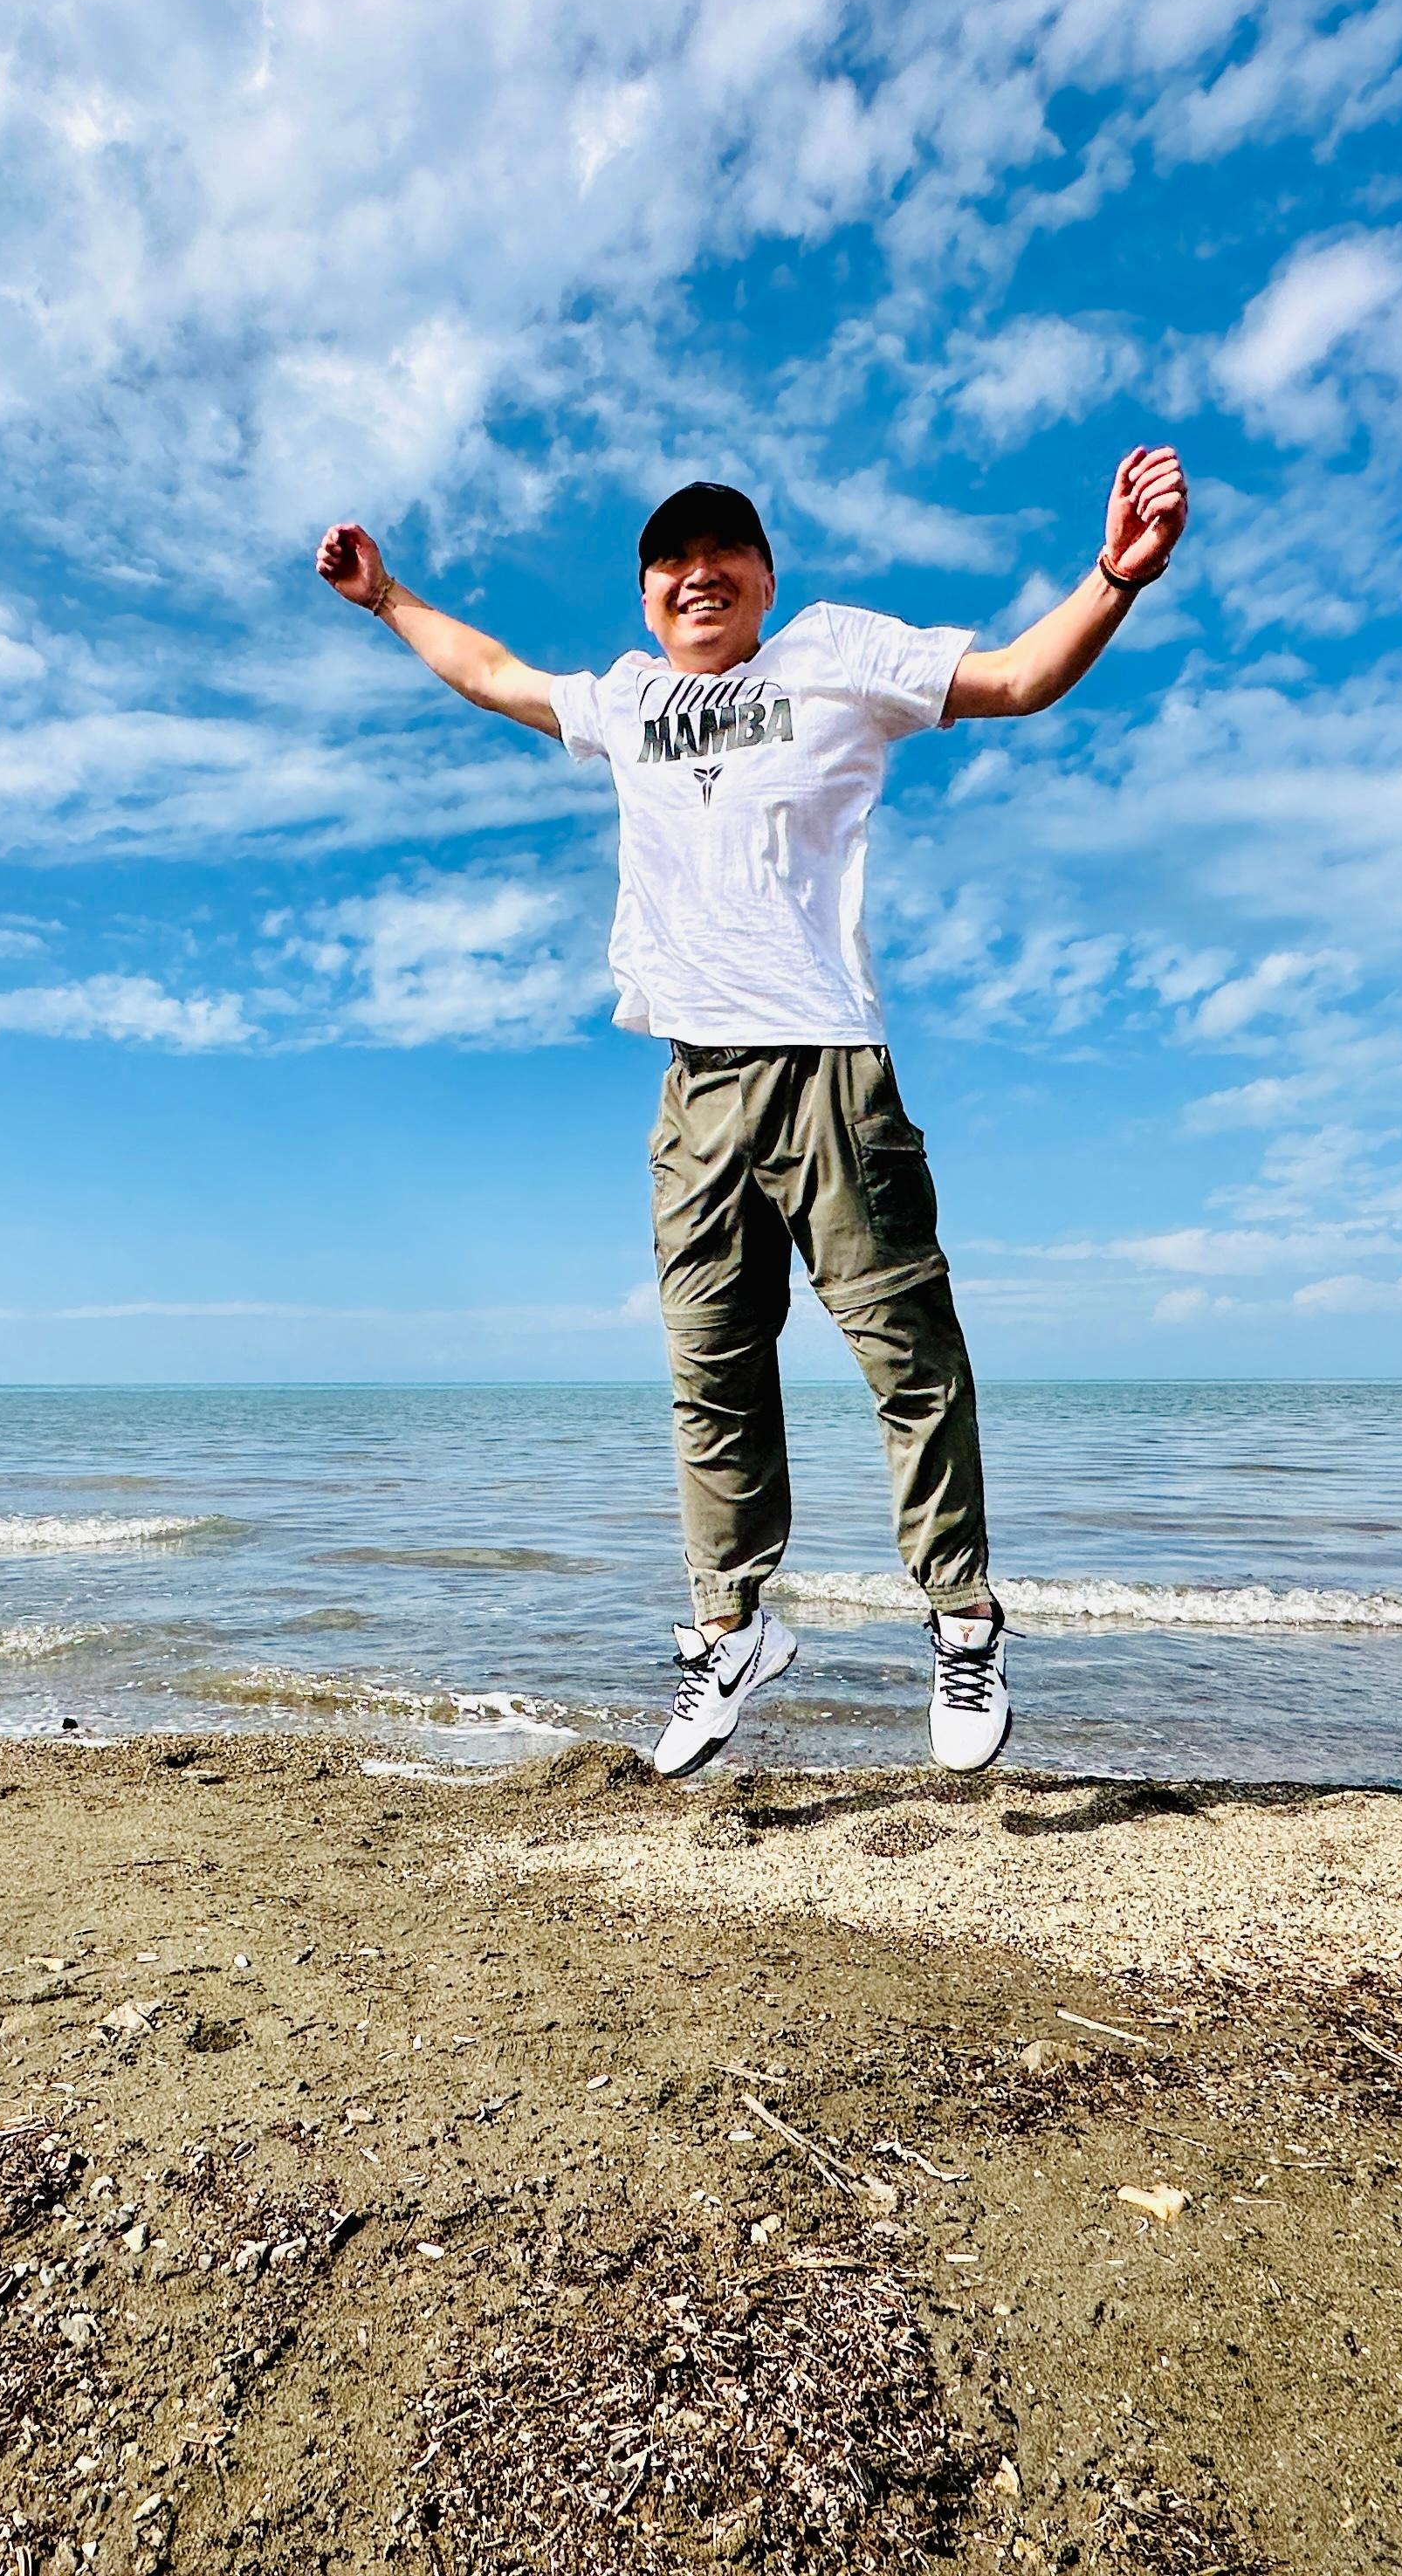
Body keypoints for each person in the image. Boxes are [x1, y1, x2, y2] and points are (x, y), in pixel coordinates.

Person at [314, 447, 1189, 1776]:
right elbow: (497, 675)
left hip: (831, 1065)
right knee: (711, 1375)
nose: (696, 572)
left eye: (724, 553)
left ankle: (963, 1619)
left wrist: (1114, 580)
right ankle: (728, 1630)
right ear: (649, 600)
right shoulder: (627, 699)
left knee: (906, 1353)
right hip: (695, 1086)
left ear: (767, 580)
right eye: (670, 561)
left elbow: (1014, 679)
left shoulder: (837, 656)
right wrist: (389, 602)